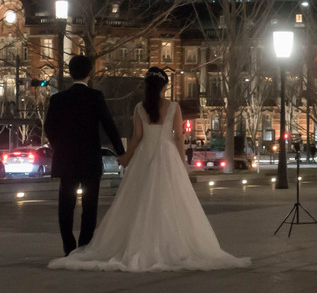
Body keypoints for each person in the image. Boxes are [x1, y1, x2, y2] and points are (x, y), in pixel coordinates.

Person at [49, 67, 250, 272]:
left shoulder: (139, 107)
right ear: (164, 86)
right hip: (167, 155)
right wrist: (183, 163)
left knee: (139, 199)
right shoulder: (173, 107)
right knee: (171, 200)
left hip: (144, 156)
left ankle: (134, 241)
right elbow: (179, 137)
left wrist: (126, 157)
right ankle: (168, 243)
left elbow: (137, 137)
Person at [43, 55, 126, 257]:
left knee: (66, 205)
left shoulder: (57, 99)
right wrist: (121, 152)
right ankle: (84, 246)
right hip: (89, 159)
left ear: (70, 73)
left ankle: (68, 247)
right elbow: (109, 125)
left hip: (66, 160)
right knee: (89, 207)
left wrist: (59, 147)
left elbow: (49, 128)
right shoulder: (95, 97)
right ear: (90, 73)